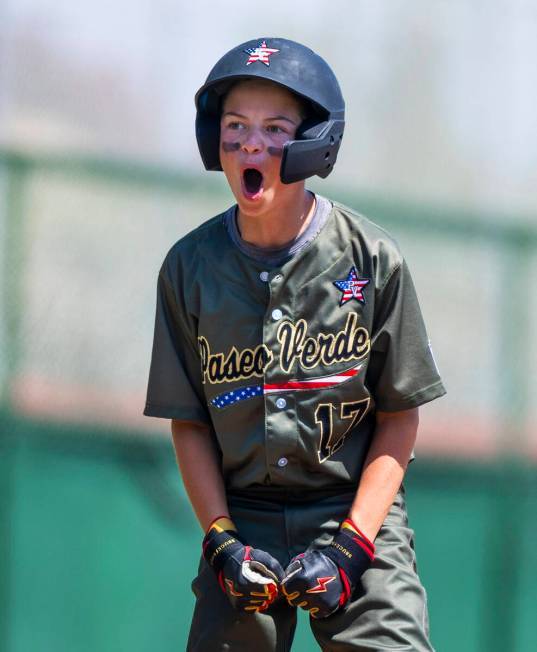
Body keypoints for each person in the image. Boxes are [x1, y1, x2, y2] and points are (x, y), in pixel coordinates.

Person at [144, 37, 446, 652]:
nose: (251, 144)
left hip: (352, 508)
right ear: (213, 141)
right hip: (242, 513)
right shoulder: (189, 268)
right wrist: (221, 541)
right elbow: (191, 423)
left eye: (276, 128)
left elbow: (399, 415)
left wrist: (354, 546)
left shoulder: (372, 260)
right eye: (235, 126)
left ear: (316, 143)